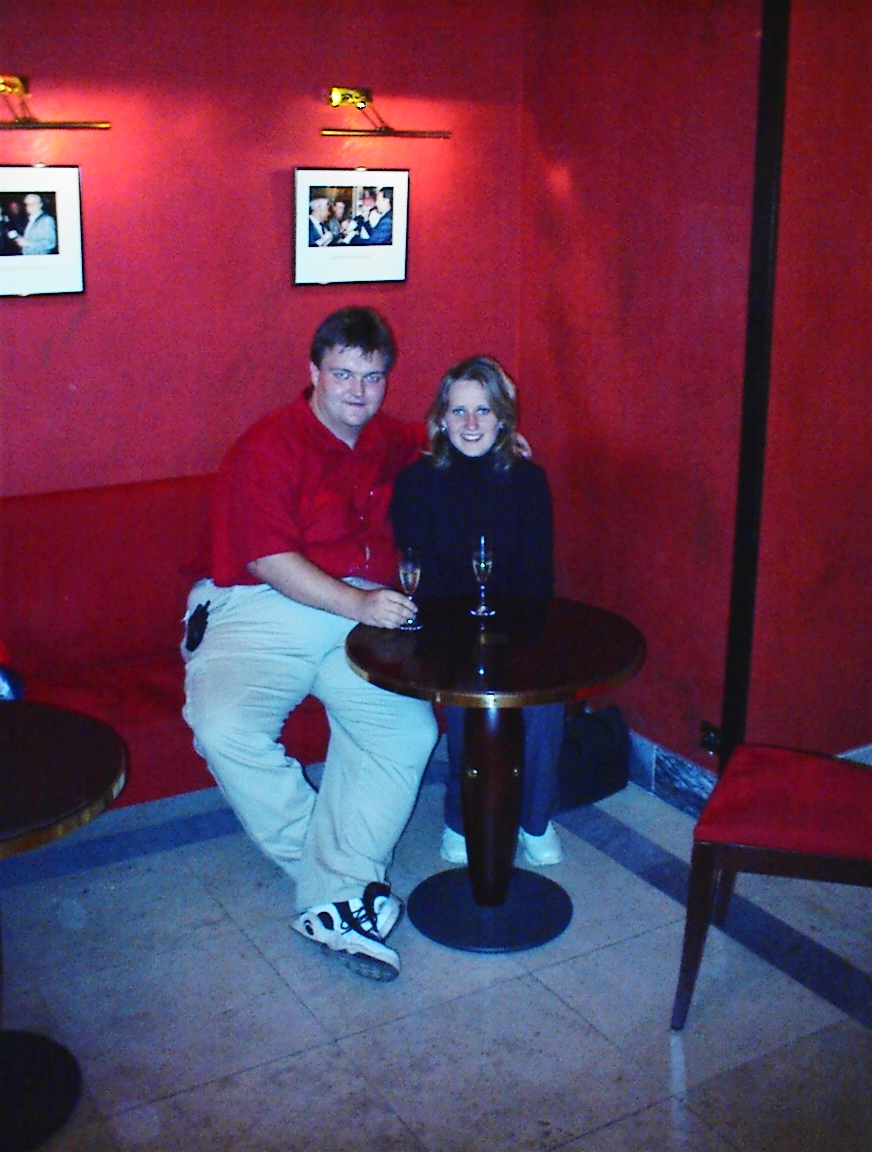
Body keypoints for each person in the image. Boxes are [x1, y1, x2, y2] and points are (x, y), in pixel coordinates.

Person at [182, 307, 438, 982]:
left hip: (357, 613)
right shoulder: (268, 446)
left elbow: (441, 434)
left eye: (372, 377)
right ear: (314, 373)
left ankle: (335, 893)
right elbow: (267, 559)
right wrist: (357, 604)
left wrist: (492, 437)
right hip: (261, 603)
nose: (358, 391)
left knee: (407, 731)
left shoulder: (388, 438)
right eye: (342, 374)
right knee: (222, 726)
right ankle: (338, 879)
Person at [390, 356, 565, 868]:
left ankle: (535, 818)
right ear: (441, 418)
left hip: (515, 620)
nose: (471, 423)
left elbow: (537, 575)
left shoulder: (529, 481)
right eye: (459, 410)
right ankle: (460, 817)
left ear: (503, 418)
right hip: (445, 625)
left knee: (544, 702)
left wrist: (517, 636)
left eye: (484, 410)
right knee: (469, 696)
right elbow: (419, 571)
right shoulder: (417, 482)